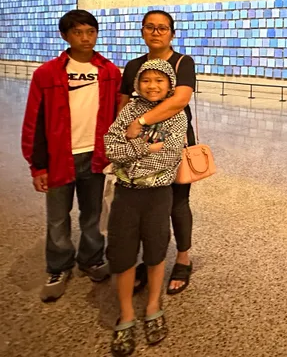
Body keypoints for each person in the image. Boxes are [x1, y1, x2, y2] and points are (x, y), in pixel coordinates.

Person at [21, 10, 122, 302]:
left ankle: (91, 259)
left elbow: (117, 115)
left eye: (91, 32)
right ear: (64, 36)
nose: (85, 38)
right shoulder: (47, 73)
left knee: (92, 214)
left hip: (96, 157)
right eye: (78, 32)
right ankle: (58, 265)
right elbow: (34, 121)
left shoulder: (109, 72)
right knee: (56, 218)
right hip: (58, 158)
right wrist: (37, 165)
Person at [105, 59, 188, 355]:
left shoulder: (176, 116)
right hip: (126, 195)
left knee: (155, 251)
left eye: (159, 81)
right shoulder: (128, 111)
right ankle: (126, 315)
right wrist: (145, 148)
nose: (152, 86)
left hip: (157, 194)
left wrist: (133, 152)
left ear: (170, 85)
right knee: (123, 255)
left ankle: (153, 306)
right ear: (138, 83)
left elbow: (169, 157)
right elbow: (111, 149)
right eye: (146, 80)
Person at [119, 10, 196, 295]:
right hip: (140, 144)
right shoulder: (133, 66)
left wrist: (140, 122)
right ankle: (152, 261)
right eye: (150, 27)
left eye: (162, 28)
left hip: (175, 140)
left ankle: (183, 258)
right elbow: (124, 105)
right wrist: (123, 140)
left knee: (177, 201)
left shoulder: (182, 63)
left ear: (172, 34)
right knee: (149, 204)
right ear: (142, 31)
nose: (156, 32)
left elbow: (180, 100)